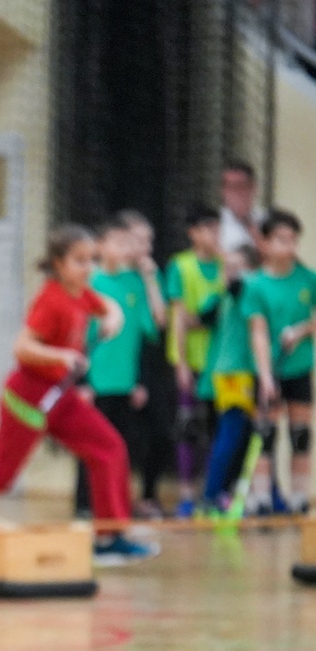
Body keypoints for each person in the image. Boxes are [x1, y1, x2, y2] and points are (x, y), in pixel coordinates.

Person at [0, 225, 157, 566]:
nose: (88, 268)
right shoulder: (51, 300)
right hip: (29, 397)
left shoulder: (80, 292)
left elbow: (108, 306)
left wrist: (113, 316)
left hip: (60, 397)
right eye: (79, 261)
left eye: (91, 260)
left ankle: (110, 537)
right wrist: (62, 356)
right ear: (59, 264)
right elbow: (22, 348)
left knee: (109, 448)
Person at [74, 221, 159, 518]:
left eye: (128, 243)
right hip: (95, 382)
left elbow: (146, 332)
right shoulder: (90, 283)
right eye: (118, 242)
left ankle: (116, 505)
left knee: (121, 447)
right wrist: (82, 381)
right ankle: (85, 505)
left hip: (125, 381)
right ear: (100, 245)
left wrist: (139, 380)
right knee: (90, 445)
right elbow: (78, 335)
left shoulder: (135, 283)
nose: (125, 249)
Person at [245, 210, 316, 514]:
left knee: (301, 435)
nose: (288, 246)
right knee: (265, 436)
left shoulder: (308, 279)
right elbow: (258, 332)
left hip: (299, 367)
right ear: (264, 243)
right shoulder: (256, 285)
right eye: (281, 239)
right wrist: (264, 376)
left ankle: (299, 498)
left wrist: (301, 331)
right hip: (269, 370)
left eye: (293, 240)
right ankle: (260, 499)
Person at [165, 204, 225, 517]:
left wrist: (200, 319)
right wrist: (182, 364)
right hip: (191, 358)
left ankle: (213, 492)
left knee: (219, 429)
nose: (214, 235)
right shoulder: (181, 266)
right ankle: (187, 494)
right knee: (188, 427)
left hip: (221, 360)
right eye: (207, 229)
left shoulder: (226, 265)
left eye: (217, 229)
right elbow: (179, 317)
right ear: (193, 233)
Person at [117, 209, 174, 518]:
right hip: (123, 361)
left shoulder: (151, 276)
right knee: (123, 438)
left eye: (149, 241)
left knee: (162, 432)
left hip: (150, 359)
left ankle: (149, 495)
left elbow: (160, 319)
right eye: (140, 240)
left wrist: (151, 278)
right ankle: (118, 500)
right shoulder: (112, 276)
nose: (146, 247)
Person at [201, 248, 260, 511]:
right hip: (235, 373)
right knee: (231, 433)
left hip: (239, 371)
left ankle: (225, 491)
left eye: (238, 267)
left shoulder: (241, 291)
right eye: (228, 267)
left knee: (245, 436)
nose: (232, 273)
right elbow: (203, 315)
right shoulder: (236, 290)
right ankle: (212, 495)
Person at [219, 160, 267, 260]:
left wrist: (249, 224)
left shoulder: (266, 218)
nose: (235, 193)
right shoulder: (215, 221)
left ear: (253, 188)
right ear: (222, 191)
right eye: (230, 187)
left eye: (240, 186)